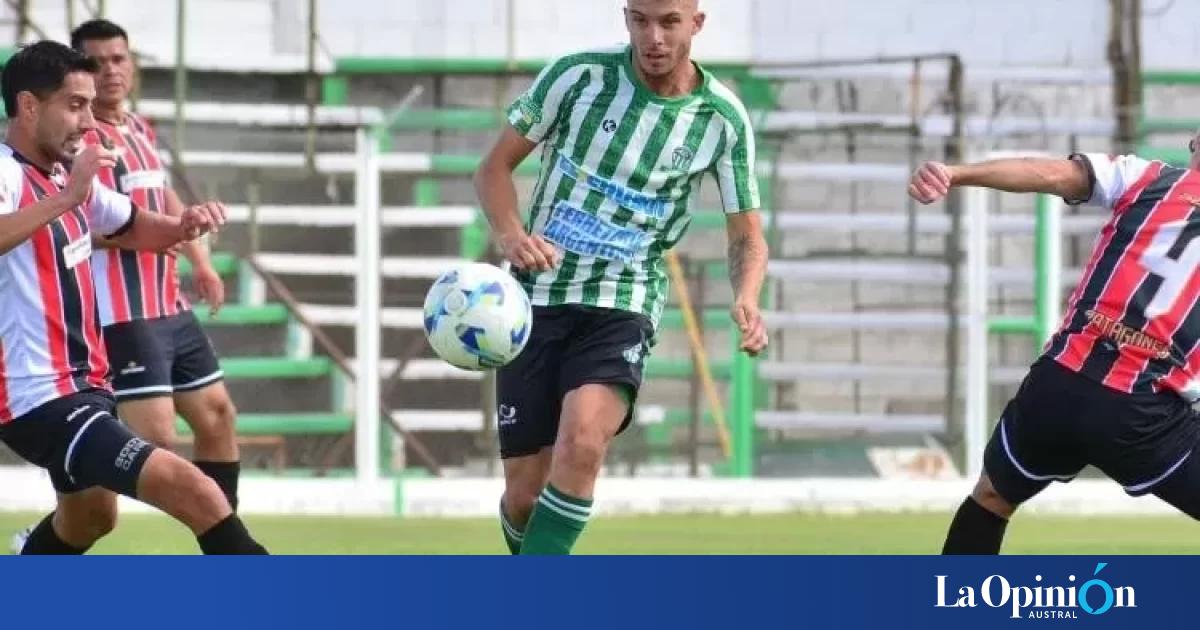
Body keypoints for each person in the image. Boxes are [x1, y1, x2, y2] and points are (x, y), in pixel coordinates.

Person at [474, 0, 769, 555]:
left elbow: (748, 236)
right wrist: (512, 235)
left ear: (696, 24)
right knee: (523, 498)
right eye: (640, 20)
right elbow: (493, 167)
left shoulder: (721, 119)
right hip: (534, 301)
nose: (652, 37)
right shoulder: (578, 76)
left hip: (621, 303)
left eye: (669, 22)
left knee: (584, 441)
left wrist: (747, 296)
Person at [0, 40, 265, 554]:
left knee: (91, 520)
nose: (88, 122)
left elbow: (131, 224)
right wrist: (68, 197)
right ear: (29, 106)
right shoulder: (8, 173)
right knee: (197, 492)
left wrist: (183, 226)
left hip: (85, 387)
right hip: (37, 398)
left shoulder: (58, 174)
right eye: (75, 105)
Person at [910, 138, 1200, 554]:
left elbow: (1047, 173)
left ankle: (952, 608)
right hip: (1143, 412)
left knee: (992, 497)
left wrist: (956, 174)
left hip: (1061, 385)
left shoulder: (1146, 177)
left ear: (1194, 143)